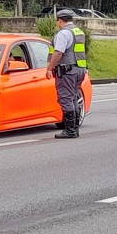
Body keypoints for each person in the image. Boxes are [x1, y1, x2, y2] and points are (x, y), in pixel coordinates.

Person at [45, 9, 87, 139]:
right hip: (79, 69)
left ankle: (70, 130)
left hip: (67, 71)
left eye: (57, 20)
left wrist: (49, 68)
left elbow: (58, 53)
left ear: (60, 20)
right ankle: (74, 128)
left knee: (66, 98)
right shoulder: (78, 31)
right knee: (73, 98)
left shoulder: (64, 33)